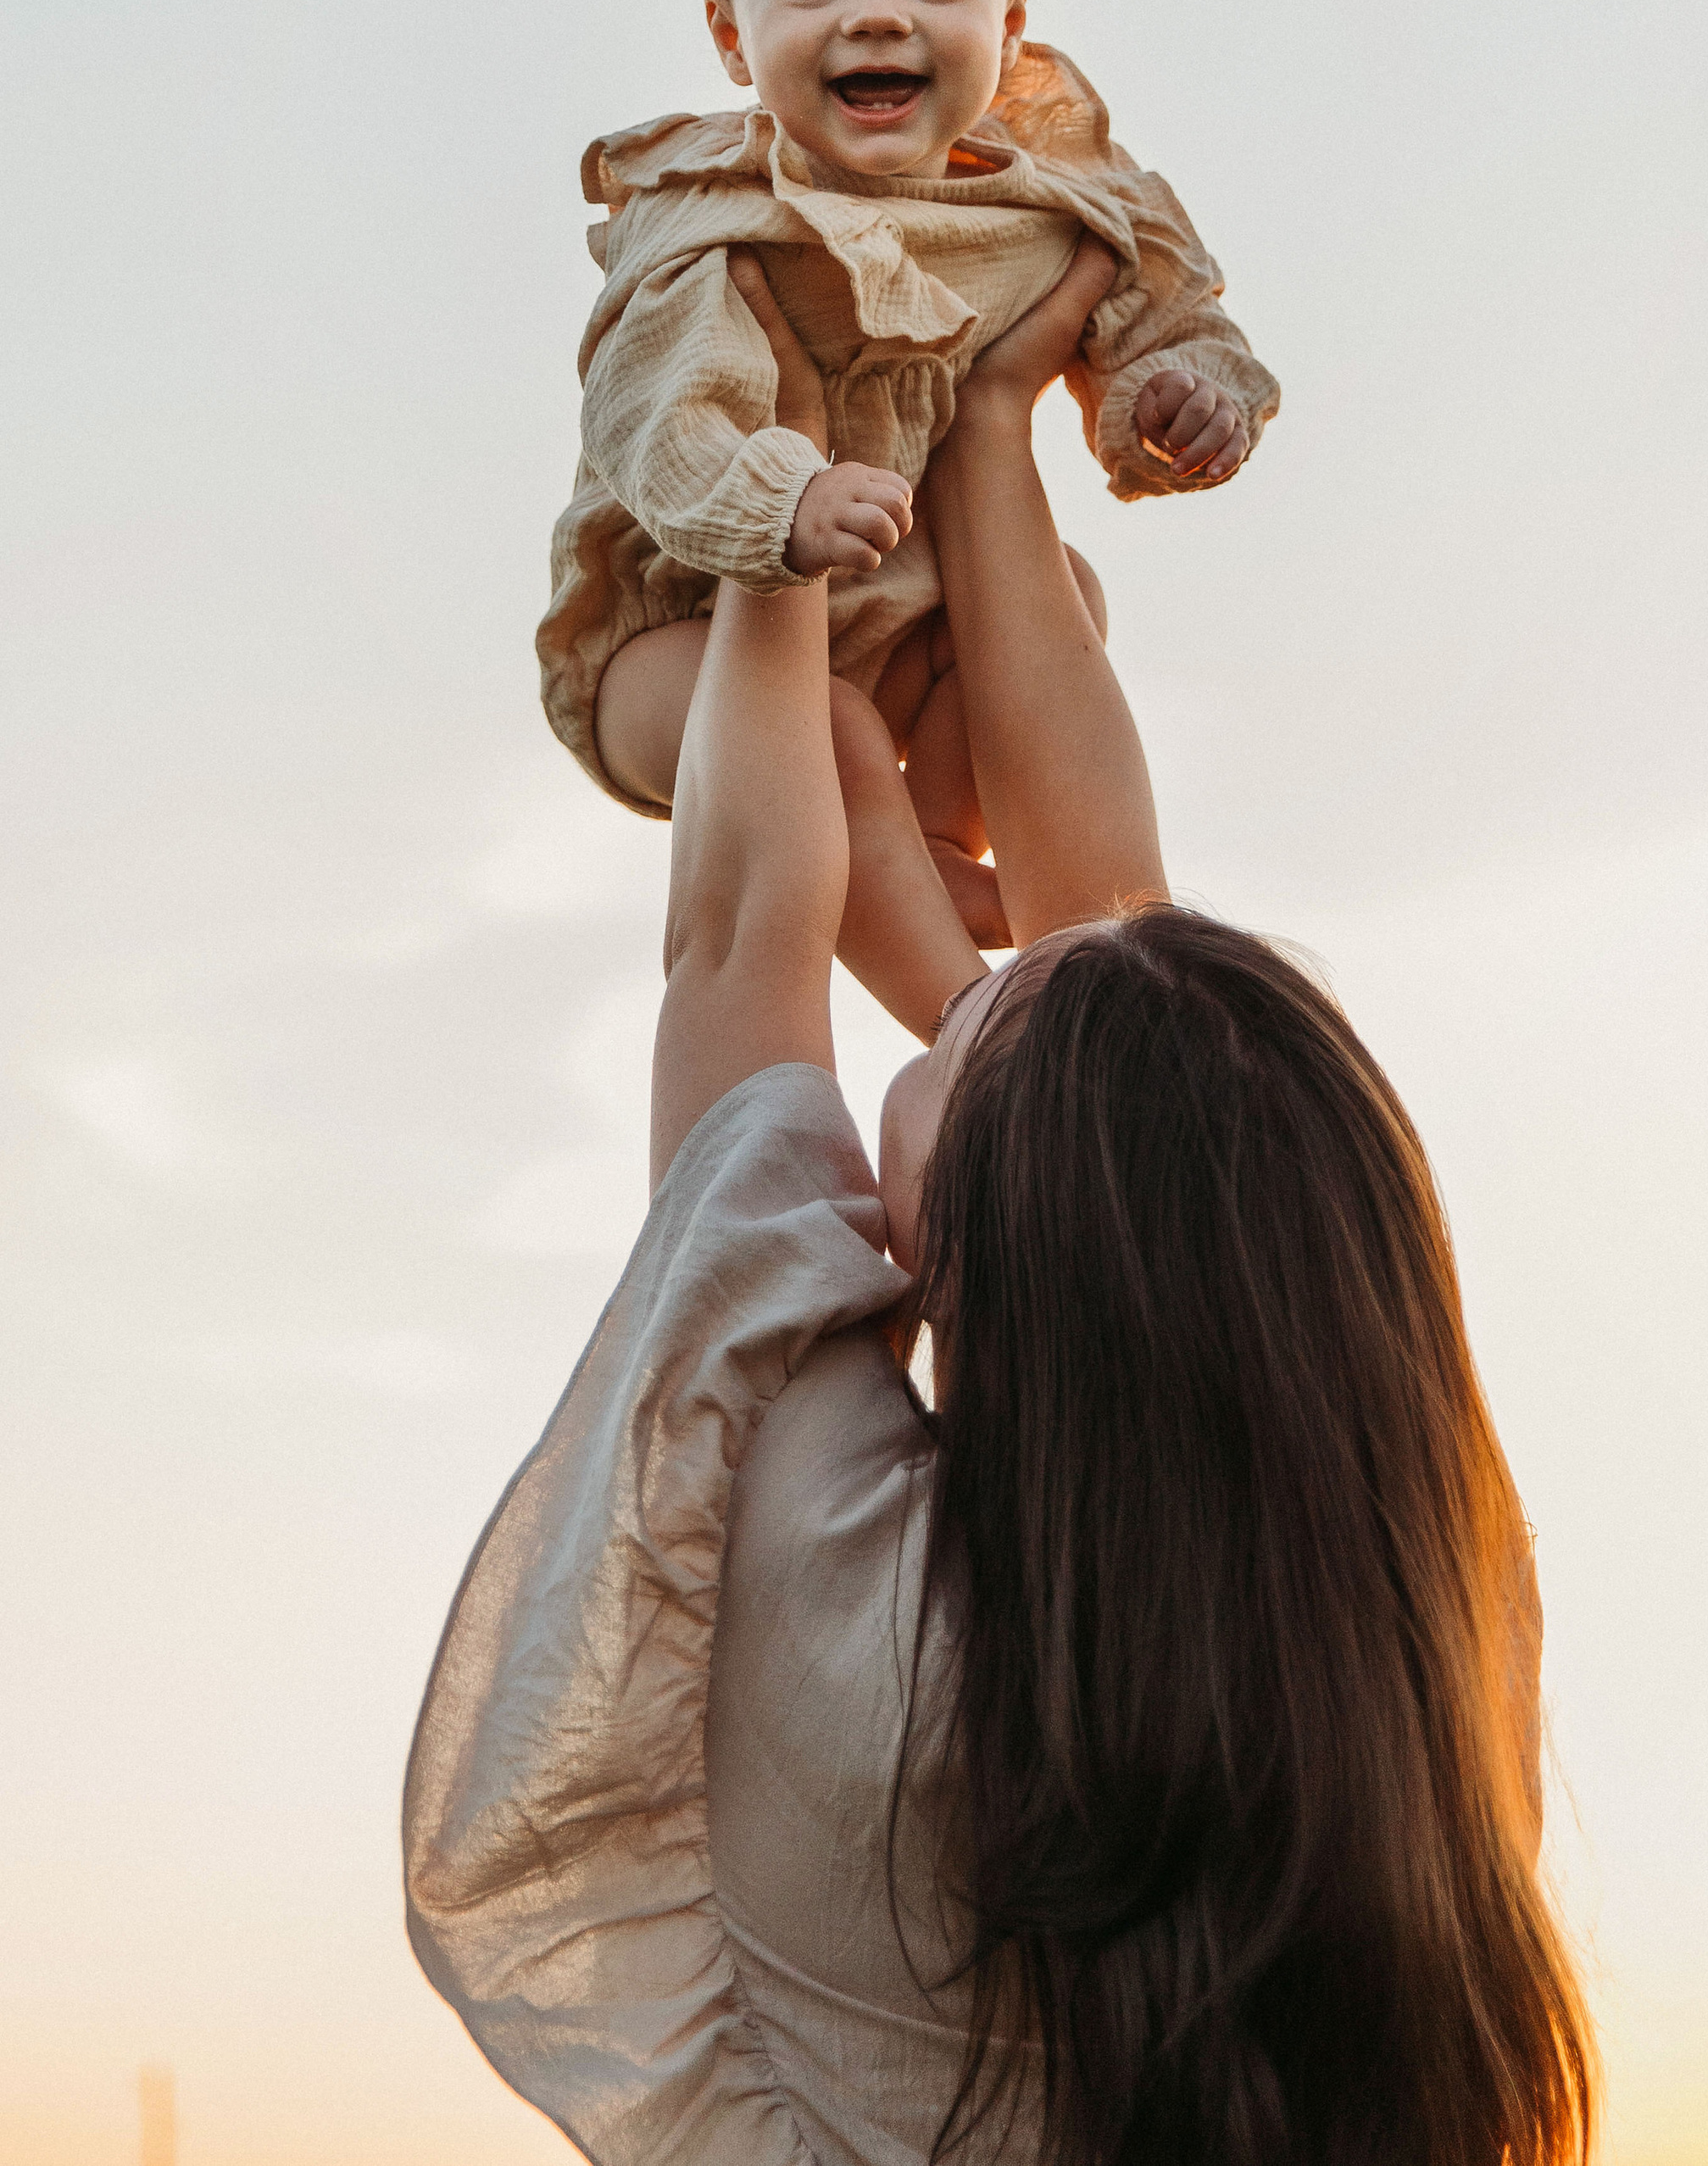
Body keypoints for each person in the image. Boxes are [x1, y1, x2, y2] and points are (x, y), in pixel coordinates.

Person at [406, 245, 1594, 2166]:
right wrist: (975, 420)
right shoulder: (1421, 1669)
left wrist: (769, 520)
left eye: (954, 1037)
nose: (958, 982)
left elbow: (738, 928)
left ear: (976, 1243)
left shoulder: (847, 1594)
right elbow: (1124, 972)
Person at [537, 0, 1279, 1021]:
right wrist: (778, 500)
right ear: (730, 30)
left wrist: (1175, 400)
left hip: (895, 595)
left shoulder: (1042, 197)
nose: (874, 12)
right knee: (821, 733)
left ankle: (931, 838)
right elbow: (653, 420)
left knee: (1071, 596)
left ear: (1011, 18)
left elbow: (1161, 309)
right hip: (674, 637)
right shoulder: (716, 215)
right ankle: (974, 1031)